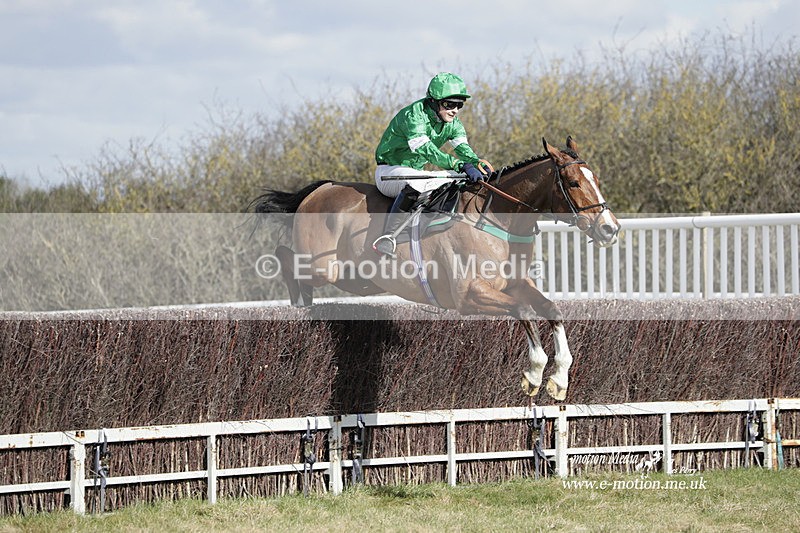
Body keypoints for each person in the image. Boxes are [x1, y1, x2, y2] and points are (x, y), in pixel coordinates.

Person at [372, 72, 494, 256]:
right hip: (389, 172)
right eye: (449, 104)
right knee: (420, 182)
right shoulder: (414, 116)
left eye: (459, 105)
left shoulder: (454, 124)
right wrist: (458, 165)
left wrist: (476, 163)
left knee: (457, 180)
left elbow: (463, 150)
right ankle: (388, 237)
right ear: (434, 101)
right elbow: (427, 151)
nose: (455, 110)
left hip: (416, 172)